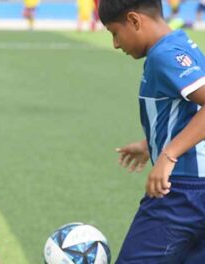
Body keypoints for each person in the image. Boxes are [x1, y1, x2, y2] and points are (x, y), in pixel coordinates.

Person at [99, 0, 205, 263]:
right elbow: (188, 111)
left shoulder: (163, 55)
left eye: (114, 32)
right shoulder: (180, 44)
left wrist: (168, 154)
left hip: (182, 191)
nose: (115, 43)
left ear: (135, 20)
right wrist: (152, 144)